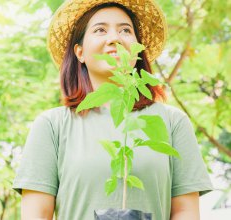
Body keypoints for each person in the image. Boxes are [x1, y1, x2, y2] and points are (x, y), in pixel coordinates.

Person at [12, 0, 213, 219]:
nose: (114, 38)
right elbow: (36, 214)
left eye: (125, 30)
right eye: (100, 30)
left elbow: (185, 211)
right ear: (80, 52)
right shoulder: (53, 126)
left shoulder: (172, 122)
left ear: (137, 50)